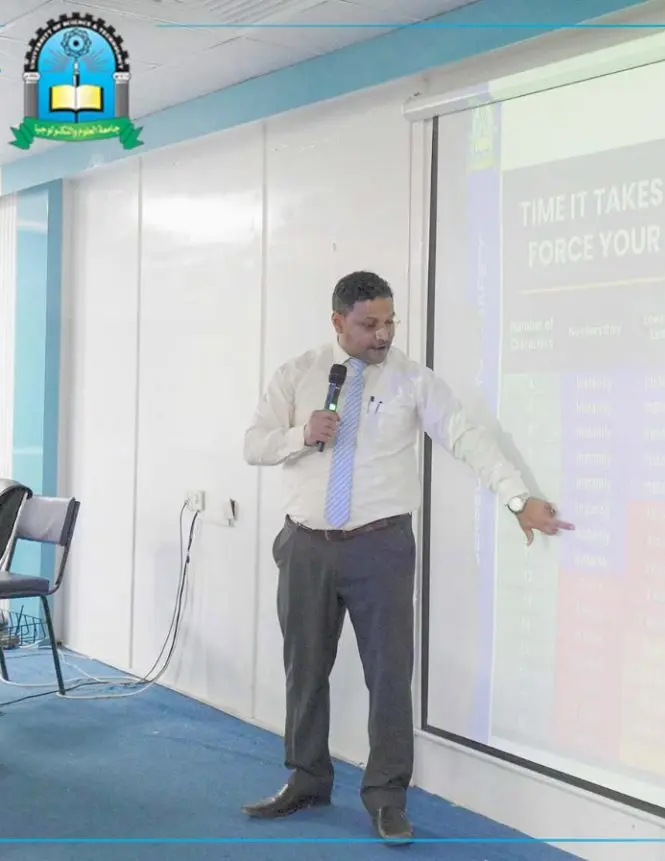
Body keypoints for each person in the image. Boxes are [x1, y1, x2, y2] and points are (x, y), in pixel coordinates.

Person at [241, 270, 572, 842]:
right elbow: (253, 444)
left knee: (389, 676)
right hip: (306, 546)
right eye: (369, 323)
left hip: (381, 548)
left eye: (389, 321)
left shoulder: (413, 382)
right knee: (304, 669)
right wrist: (300, 434)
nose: (383, 334)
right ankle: (307, 777)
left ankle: (386, 796)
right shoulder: (298, 374)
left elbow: (465, 436)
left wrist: (517, 498)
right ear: (338, 321)